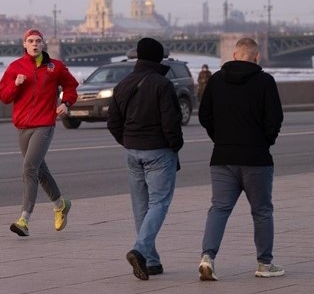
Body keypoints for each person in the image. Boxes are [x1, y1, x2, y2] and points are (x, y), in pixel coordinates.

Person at [198, 37, 285, 281]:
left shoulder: (216, 80)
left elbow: (204, 115)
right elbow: (275, 119)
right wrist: (264, 141)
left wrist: (220, 138)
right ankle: (264, 264)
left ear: (235, 55)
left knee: (219, 208)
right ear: (257, 57)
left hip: (223, 156)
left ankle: (207, 257)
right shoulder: (265, 81)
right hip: (256, 158)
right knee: (262, 211)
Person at [107, 37, 183, 280]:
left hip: (132, 151)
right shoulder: (162, 85)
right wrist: (175, 146)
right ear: (159, 58)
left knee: (141, 207)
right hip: (159, 152)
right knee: (159, 204)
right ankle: (140, 251)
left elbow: (113, 123)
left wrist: (127, 140)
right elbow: (171, 123)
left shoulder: (123, 84)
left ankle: (151, 261)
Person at [0, 28, 79, 237]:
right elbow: (4, 96)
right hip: (23, 126)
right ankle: (60, 204)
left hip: (44, 124)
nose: (34, 44)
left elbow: (71, 86)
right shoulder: (15, 67)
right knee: (40, 169)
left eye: (38, 41)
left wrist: (66, 103)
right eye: (30, 41)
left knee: (29, 168)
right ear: (24, 44)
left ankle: (24, 219)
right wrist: (15, 85)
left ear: (43, 44)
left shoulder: (55, 67)